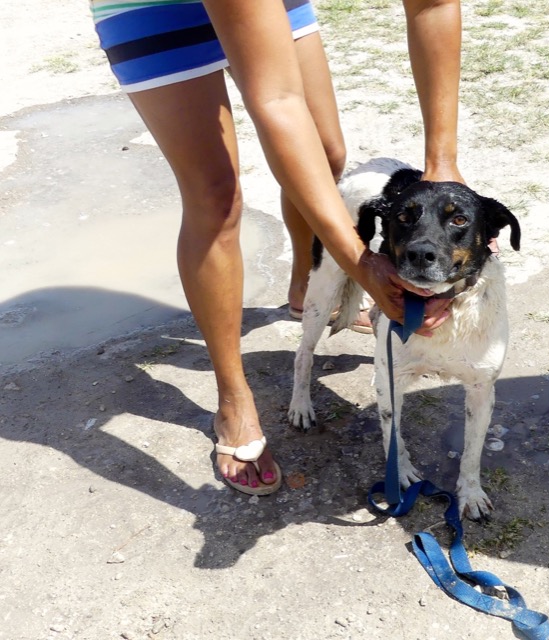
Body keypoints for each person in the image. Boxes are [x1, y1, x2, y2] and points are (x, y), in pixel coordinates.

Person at [90, 0, 459, 496]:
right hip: (154, 7)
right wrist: (360, 262)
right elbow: (277, 102)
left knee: (327, 155)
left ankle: (304, 285)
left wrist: (443, 162)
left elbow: (433, 5)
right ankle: (233, 397)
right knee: (215, 197)